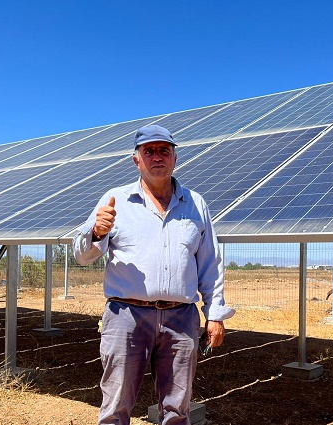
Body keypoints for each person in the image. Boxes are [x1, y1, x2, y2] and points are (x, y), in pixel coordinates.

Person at [73, 124, 235, 425]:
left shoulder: (196, 204)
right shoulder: (115, 200)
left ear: (175, 158)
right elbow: (82, 257)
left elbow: (210, 264)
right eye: (149, 151)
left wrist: (215, 314)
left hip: (181, 319)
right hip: (126, 317)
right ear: (137, 160)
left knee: (177, 408)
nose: (157, 157)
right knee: (116, 405)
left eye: (164, 151)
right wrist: (96, 231)